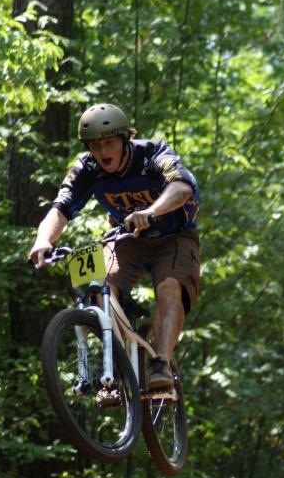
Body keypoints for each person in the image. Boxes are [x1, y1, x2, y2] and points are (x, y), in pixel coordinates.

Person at [29, 103, 200, 390]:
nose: (103, 152)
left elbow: (182, 188)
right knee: (97, 287)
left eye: (109, 143)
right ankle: (115, 361)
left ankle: (160, 362)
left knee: (170, 286)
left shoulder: (153, 154)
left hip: (175, 235)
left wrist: (152, 211)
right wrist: (43, 240)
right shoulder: (87, 168)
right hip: (126, 238)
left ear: (125, 139)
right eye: (95, 145)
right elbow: (60, 209)